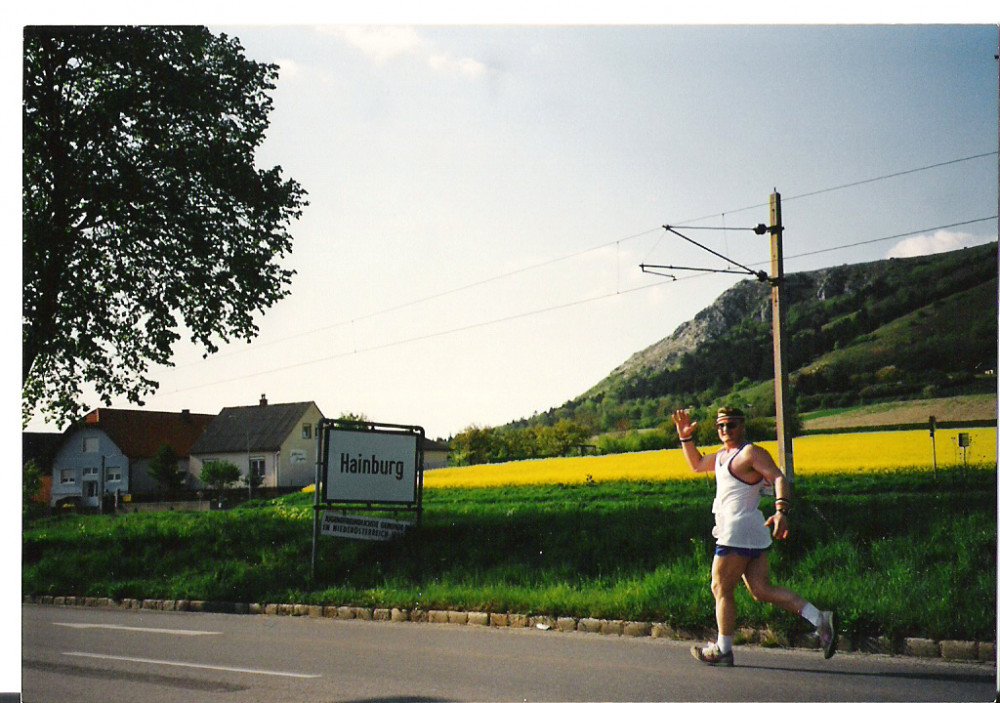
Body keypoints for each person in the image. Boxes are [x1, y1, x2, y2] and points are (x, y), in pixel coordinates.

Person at [671, 406, 837, 666]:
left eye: (731, 425)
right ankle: (820, 619)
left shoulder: (750, 452)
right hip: (751, 532)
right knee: (761, 590)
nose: (726, 430)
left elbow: (778, 477)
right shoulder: (722, 456)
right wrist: (685, 437)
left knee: (720, 588)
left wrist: (781, 511)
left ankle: (723, 649)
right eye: (721, 426)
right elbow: (696, 464)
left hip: (735, 531)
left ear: (742, 426)